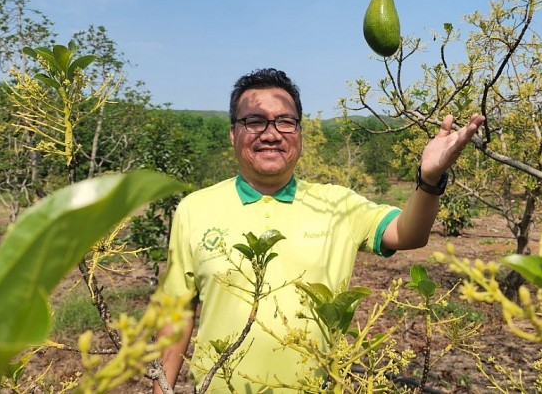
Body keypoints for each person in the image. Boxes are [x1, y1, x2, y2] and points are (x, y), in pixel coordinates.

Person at [155, 68, 484, 392]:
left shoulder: (338, 204)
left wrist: (429, 180)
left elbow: (408, 234)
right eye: (254, 122)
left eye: (285, 121)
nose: (271, 134)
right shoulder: (193, 209)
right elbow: (177, 316)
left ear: (299, 133)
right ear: (232, 134)